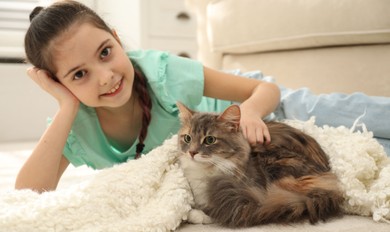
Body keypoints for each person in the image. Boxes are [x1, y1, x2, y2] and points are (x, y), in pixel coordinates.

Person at [15, 0, 280, 192]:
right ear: (57, 83)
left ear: (117, 40)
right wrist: (66, 105)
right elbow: (27, 193)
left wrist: (251, 112)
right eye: (79, 74)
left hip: (269, 113)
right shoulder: (76, 125)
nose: (105, 76)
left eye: (105, 52)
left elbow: (263, 89)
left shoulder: (164, 74)